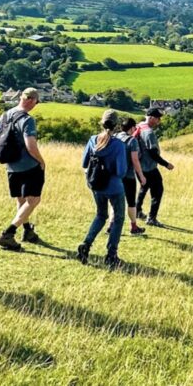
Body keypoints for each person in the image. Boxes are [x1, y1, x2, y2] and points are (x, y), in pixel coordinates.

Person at [0, 87, 47, 250]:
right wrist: (41, 161)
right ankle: (8, 233)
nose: (35, 105)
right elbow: (30, 145)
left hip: (11, 166)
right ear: (32, 100)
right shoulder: (27, 119)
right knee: (34, 200)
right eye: (36, 102)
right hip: (29, 166)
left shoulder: (4, 116)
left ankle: (28, 232)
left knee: (21, 200)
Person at [76, 110, 129, 269]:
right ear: (117, 125)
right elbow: (121, 171)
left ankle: (86, 244)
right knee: (118, 218)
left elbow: (85, 163)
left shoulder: (93, 140)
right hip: (114, 187)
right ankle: (111, 255)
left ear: (102, 122)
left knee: (100, 215)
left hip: (96, 185)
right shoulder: (118, 144)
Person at [134, 107, 175, 227]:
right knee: (158, 191)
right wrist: (166, 164)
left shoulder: (140, 126)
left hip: (138, 166)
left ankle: (137, 211)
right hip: (149, 167)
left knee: (144, 187)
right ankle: (151, 218)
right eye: (157, 118)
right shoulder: (149, 133)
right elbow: (153, 153)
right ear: (151, 117)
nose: (159, 121)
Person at [109, 117, 147, 235]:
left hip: (115, 175)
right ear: (131, 128)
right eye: (134, 127)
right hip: (128, 176)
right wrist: (141, 176)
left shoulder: (115, 137)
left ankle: (111, 226)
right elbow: (135, 160)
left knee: (115, 202)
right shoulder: (132, 141)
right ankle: (134, 227)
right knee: (131, 202)